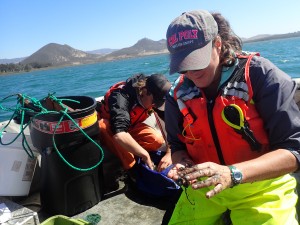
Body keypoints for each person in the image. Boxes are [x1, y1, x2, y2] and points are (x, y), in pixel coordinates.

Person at [164, 10, 300, 224]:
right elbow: (176, 145)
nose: (191, 72)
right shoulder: (177, 95)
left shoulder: (261, 75)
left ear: (217, 44)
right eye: (184, 64)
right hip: (204, 188)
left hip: (261, 187)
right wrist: (183, 164)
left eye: (197, 60)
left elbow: (294, 150)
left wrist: (233, 173)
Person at [97, 73, 172, 173]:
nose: (156, 105)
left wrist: (169, 153)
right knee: (102, 126)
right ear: (144, 91)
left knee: (156, 141)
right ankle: (132, 171)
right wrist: (144, 155)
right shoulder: (121, 97)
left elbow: (167, 124)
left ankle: (137, 154)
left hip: (132, 126)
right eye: (154, 102)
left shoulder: (154, 97)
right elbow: (120, 134)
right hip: (113, 129)